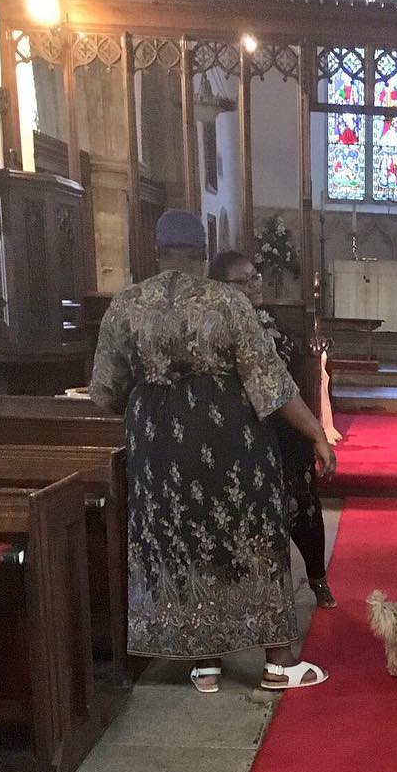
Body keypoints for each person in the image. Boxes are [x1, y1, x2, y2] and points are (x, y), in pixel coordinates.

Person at [90, 209, 335, 694]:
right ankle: (278, 662)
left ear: (155, 251)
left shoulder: (125, 305)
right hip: (226, 440)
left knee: (183, 540)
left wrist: (152, 402)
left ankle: (204, 663)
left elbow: (105, 390)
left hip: (157, 445)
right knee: (254, 537)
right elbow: (270, 384)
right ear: (203, 252)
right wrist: (316, 434)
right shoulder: (227, 303)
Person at [211, 249, 339, 610]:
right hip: (245, 432)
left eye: (255, 277)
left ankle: (317, 579)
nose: (254, 285)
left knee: (304, 507)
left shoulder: (270, 319)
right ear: (220, 287)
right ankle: (257, 588)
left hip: (286, 428)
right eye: (244, 281)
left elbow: (286, 376)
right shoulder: (216, 326)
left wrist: (313, 431)